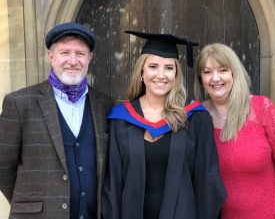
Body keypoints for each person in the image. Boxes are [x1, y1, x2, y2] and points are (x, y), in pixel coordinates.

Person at [101, 31, 226, 219]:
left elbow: (207, 182)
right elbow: (112, 186)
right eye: (153, 66)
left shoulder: (195, 118)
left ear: (176, 74)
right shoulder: (121, 119)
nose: (161, 75)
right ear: (141, 72)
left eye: (169, 68)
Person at [0, 22, 113, 219]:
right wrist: (28, 203)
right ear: (51, 56)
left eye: (80, 53)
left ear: (90, 58)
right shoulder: (19, 103)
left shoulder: (104, 105)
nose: (73, 60)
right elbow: (2, 166)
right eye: (64, 53)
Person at [195, 43, 275, 219]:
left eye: (223, 70)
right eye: (207, 72)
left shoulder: (261, 108)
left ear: (234, 73)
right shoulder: (196, 116)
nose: (215, 78)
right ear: (201, 79)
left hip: (265, 214)